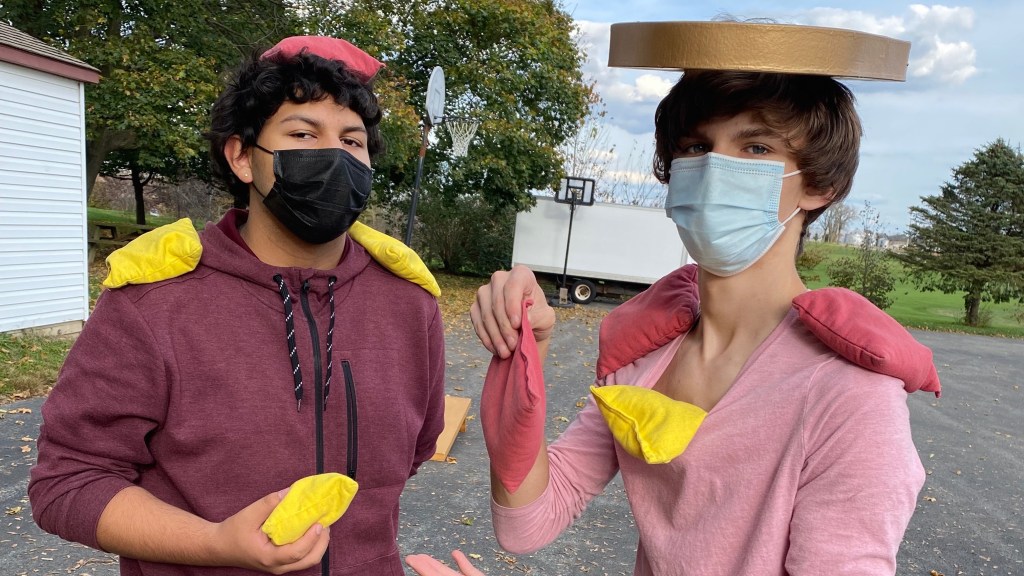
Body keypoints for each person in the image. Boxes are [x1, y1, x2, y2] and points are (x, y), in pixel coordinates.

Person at [466, 27, 941, 576]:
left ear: (819, 185)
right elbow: (528, 523)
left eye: (756, 148)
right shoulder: (646, 355)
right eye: (696, 147)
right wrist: (522, 355)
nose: (715, 168)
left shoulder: (851, 396)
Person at [29, 36, 446, 575]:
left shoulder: (410, 304)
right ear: (243, 158)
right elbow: (69, 481)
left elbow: (411, 456)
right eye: (303, 134)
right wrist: (215, 543)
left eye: (352, 140)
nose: (336, 156)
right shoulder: (153, 302)